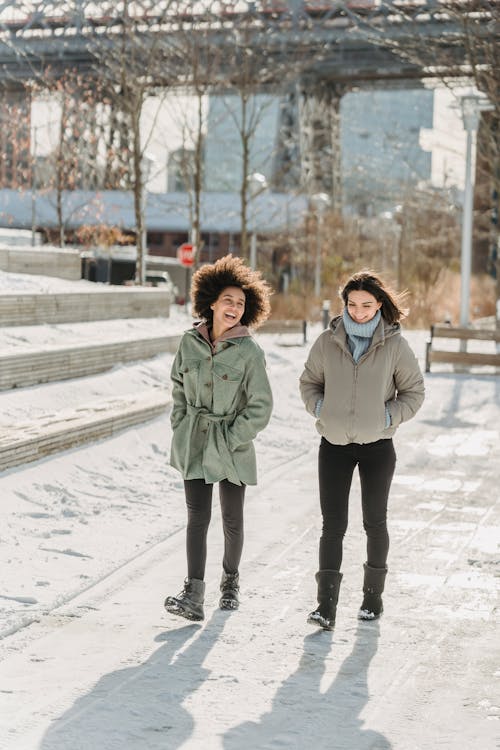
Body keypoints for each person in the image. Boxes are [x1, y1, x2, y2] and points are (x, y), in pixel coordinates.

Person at [299, 270, 425, 630]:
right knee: (333, 525)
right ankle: (326, 607)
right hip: (334, 446)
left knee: (375, 523)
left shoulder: (395, 346)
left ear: (379, 305)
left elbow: (414, 392)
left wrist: (389, 416)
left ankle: (372, 599)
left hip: (378, 446)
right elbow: (309, 383)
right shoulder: (327, 341)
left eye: (366, 305)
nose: (358, 311)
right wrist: (321, 409)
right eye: (352, 305)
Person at [165, 254, 273, 622]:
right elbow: (178, 387)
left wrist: (231, 436)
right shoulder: (188, 343)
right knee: (197, 517)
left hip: (231, 446)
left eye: (241, 304)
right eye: (229, 300)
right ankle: (193, 593)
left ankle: (230, 582)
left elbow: (261, 406)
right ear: (211, 301)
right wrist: (181, 423)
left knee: (232, 519)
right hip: (194, 440)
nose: (235, 307)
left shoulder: (249, 352)